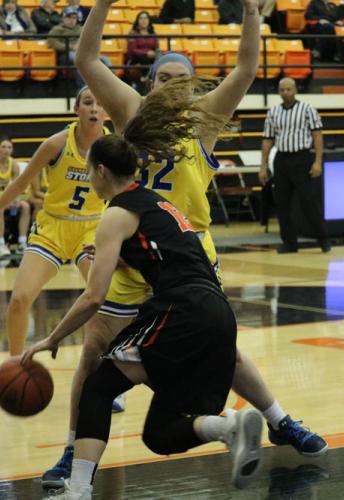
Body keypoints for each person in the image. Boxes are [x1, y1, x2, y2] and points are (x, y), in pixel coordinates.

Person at [41, 0, 328, 489]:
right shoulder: (129, 110)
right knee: (94, 351)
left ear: (193, 84)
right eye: (162, 77)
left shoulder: (207, 118)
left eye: (181, 77)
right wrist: (104, 5)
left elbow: (245, 68)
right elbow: (87, 60)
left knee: (226, 351)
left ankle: (279, 420)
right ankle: (74, 450)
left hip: (187, 256)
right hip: (132, 254)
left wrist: (254, 14)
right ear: (149, 82)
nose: (171, 84)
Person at [21, 108, 264, 497]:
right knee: (160, 434)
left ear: (101, 172)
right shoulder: (156, 204)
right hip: (217, 314)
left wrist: (52, 339)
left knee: (98, 387)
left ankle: (78, 489)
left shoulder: (116, 213)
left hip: (181, 310)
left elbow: (93, 297)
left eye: (89, 170)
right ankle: (228, 427)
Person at [0, 87, 108, 356]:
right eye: (87, 102)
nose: (94, 108)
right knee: (20, 299)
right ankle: (16, 366)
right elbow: (21, 183)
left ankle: (105, 374)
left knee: (106, 303)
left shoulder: (112, 147)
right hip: (52, 228)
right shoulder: (56, 144)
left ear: (107, 111)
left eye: (99, 103)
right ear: (76, 109)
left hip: (92, 229)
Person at [259, 78, 331, 254]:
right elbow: (267, 140)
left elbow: (317, 136)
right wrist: (263, 166)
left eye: (288, 89)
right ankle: (290, 243)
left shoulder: (307, 109)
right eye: (282, 89)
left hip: (302, 158)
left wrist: (317, 161)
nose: (285, 92)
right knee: (282, 204)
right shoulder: (273, 112)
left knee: (308, 201)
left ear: (295, 90)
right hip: (281, 160)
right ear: (278, 91)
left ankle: (323, 239)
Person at [0, 137, 30, 257]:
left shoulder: (14, 165)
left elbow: (16, 186)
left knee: (26, 206)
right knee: (0, 208)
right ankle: (1, 243)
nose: (6, 150)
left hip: (7, 195)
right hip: (2, 197)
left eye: (9, 147)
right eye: (3, 147)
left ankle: (22, 242)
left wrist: (15, 199)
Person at [125, 11, 158, 85]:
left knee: (158, 58)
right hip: (136, 59)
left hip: (151, 59)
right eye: (141, 18)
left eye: (146, 18)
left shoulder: (153, 34)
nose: (144, 20)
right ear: (137, 21)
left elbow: (156, 49)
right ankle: (146, 77)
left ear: (149, 21)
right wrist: (146, 53)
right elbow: (132, 51)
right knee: (144, 58)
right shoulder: (133, 33)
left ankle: (147, 77)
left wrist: (154, 54)